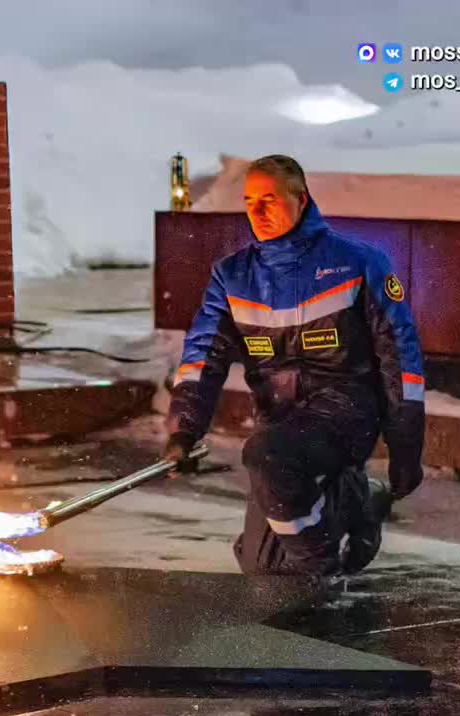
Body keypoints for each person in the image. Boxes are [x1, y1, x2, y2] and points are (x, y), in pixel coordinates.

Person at [164, 154, 425, 577]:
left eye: (269, 199)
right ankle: (356, 501)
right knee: (261, 565)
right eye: (250, 201)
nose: (258, 211)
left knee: (267, 461)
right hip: (281, 424)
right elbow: (202, 358)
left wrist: (406, 447)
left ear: (301, 199)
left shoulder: (359, 263)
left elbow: (401, 360)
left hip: (346, 411)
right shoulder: (232, 277)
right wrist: (183, 431)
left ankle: (317, 566)